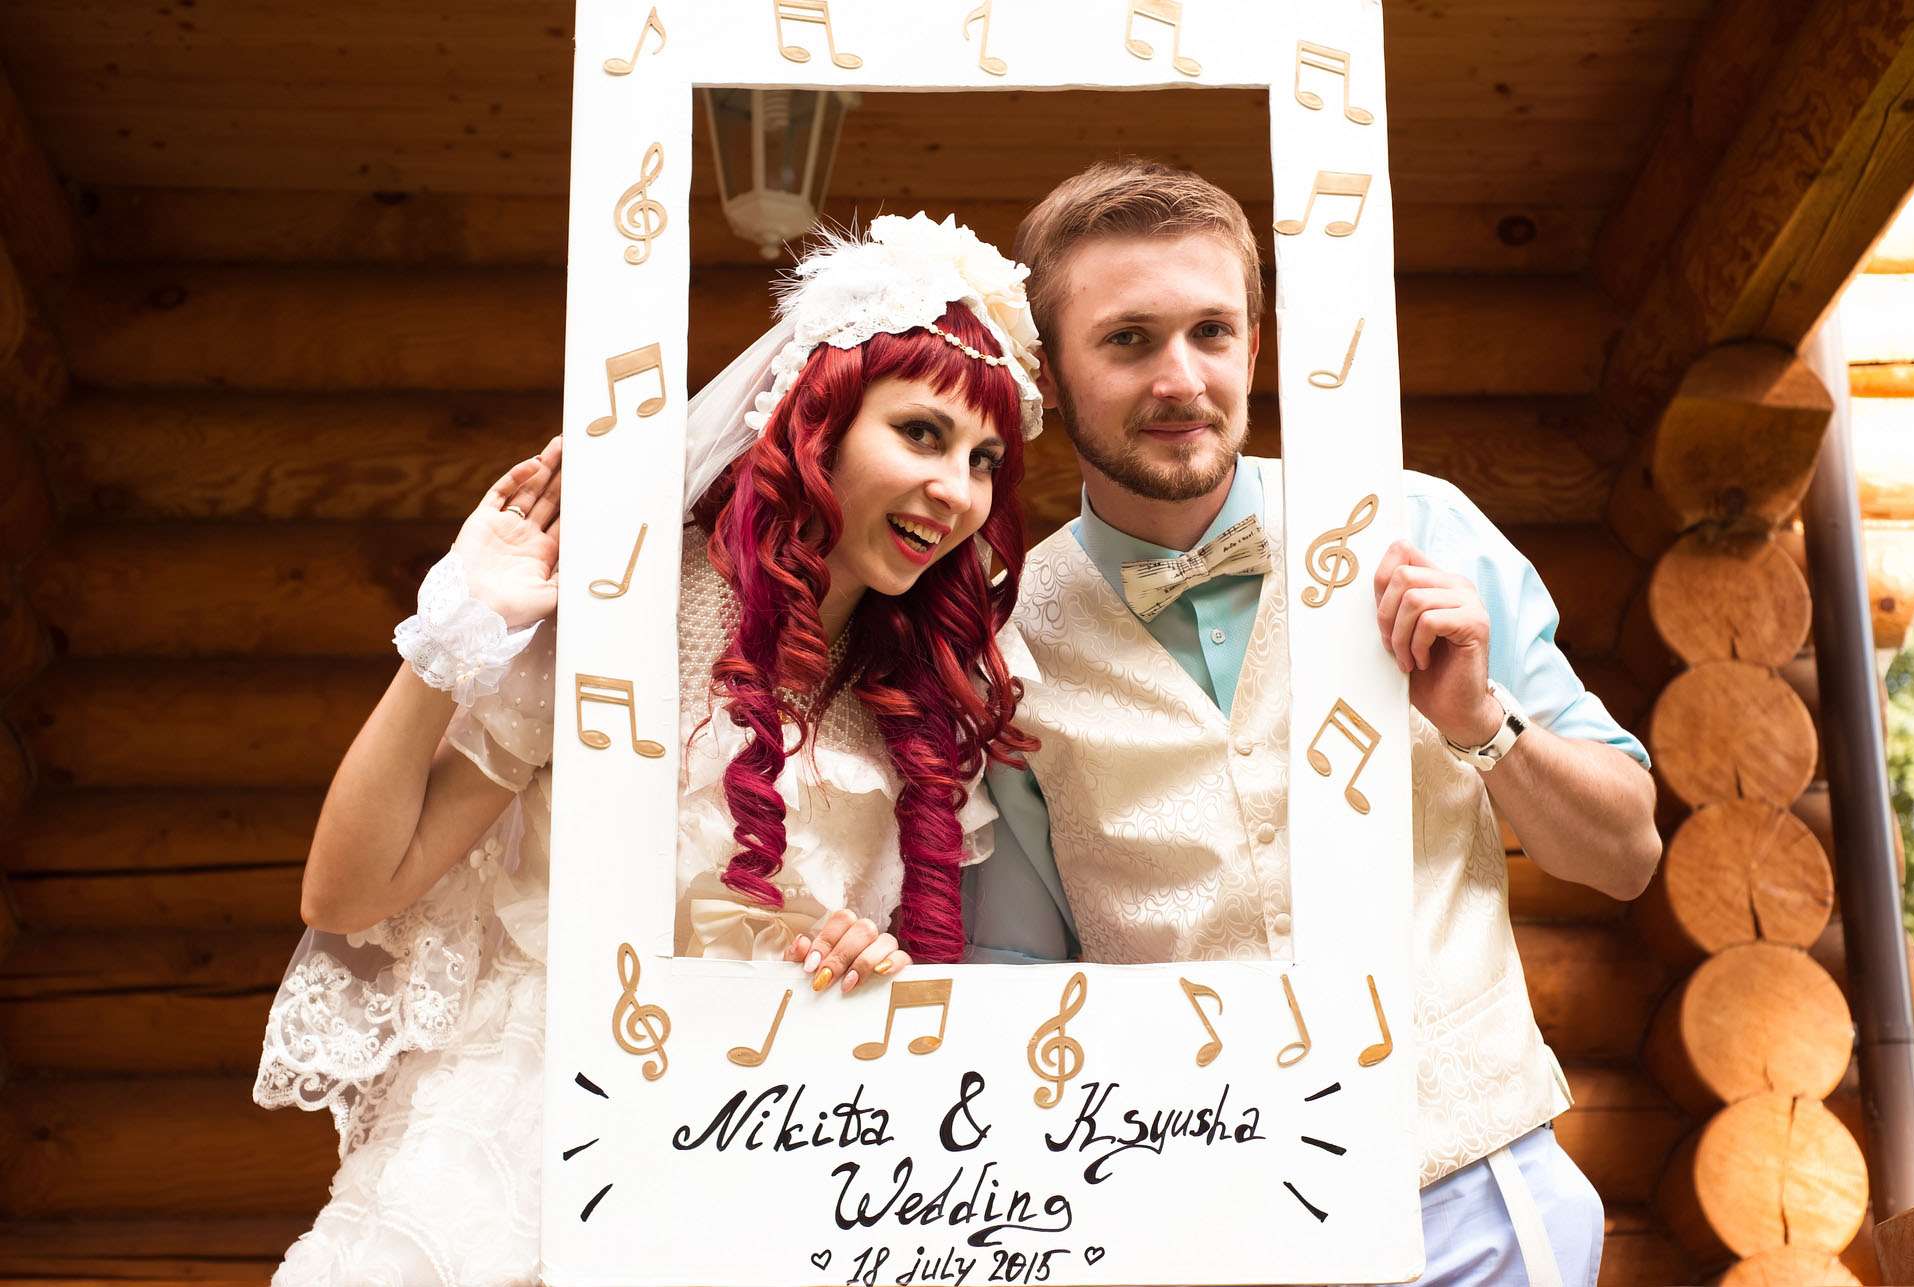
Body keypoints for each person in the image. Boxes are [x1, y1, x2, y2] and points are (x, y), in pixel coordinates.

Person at [252, 213, 1045, 1284]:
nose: (958, 490)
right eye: (920, 434)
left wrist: (859, 965)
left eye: (983, 458)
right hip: (524, 1146)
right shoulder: (634, 607)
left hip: (753, 1176)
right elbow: (347, 893)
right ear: (817, 425)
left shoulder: (924, 698)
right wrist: (452, 636)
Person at [964, 160, 1662, 1286]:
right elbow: (1015, 973)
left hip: (1476, 1205)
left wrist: (1481, 722)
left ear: (1254, 345)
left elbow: (1625, 853)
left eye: (1210, 331)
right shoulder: (1000, 640)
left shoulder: (1420, 527)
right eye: (1128, 341)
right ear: (1048, 371)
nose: (1180, 378)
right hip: (1195, 1232)